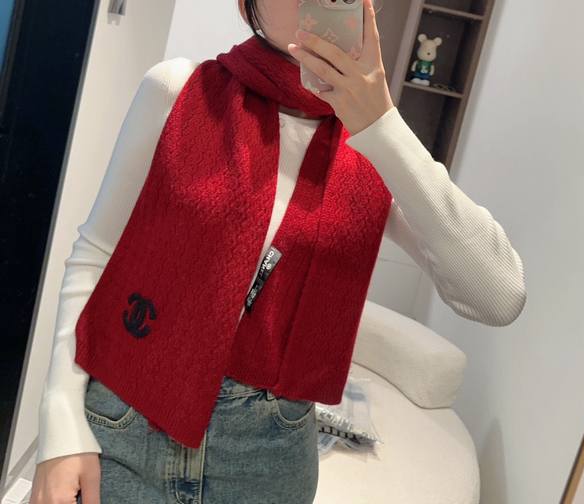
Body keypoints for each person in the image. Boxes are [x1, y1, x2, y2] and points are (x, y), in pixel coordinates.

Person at [29, 0, 526, 502]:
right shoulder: (177, 90)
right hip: (125, 421)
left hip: (269, 463)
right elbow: (98, 253)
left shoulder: (378, 148)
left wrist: (381, 125)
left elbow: (499, 295)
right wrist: (60, 421)